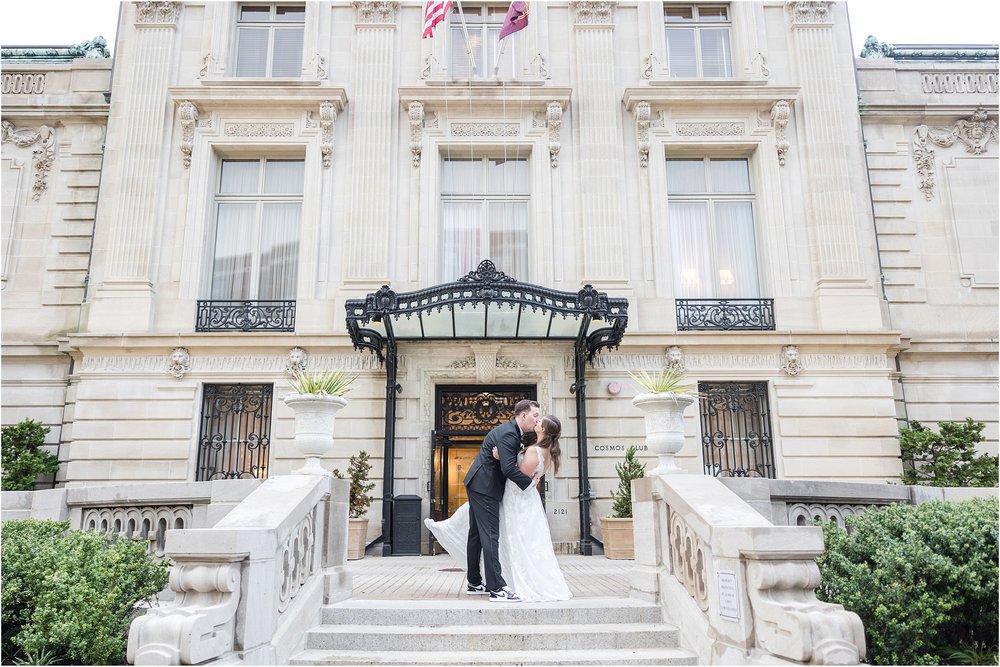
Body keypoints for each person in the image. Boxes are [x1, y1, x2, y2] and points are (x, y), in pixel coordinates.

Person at [425, 412, 573, 603]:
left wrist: (501, 457)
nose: (537, 419)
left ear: (542, 429)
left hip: (516, 498)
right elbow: (526, 474)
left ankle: (494, 586)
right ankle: (476, 581)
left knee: (495, 536)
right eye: (535, 415)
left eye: (539, 419)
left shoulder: (532, 449)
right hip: (503, 493)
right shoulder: (544, 450)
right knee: (486, 533)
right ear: (524, 415)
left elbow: (513, 472)